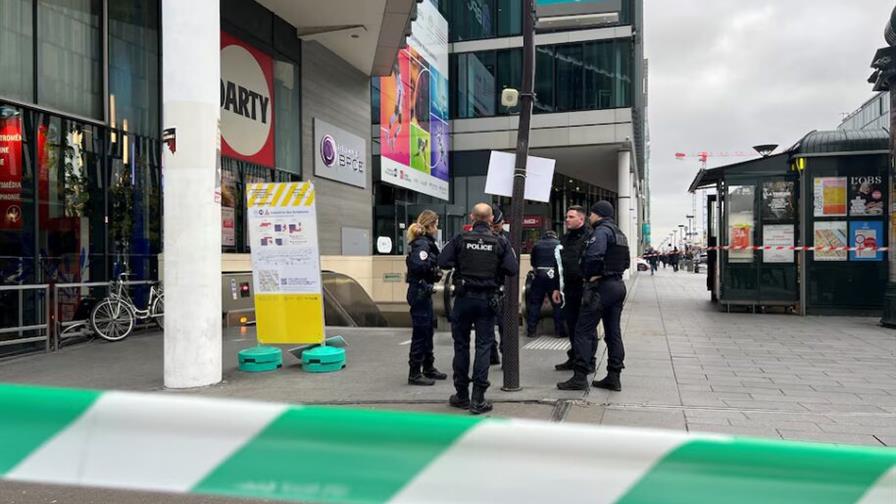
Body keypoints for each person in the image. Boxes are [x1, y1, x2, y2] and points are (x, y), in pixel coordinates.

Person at [438, 203, 518, 414]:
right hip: (487, 301)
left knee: (461, 346)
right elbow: (512, 269)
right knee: (484, 346)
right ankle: (478, 399)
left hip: (463, 299)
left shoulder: (460, 239)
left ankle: (461, 395)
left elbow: (442, 261)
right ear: (491, 218)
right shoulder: (500, 241)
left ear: (472, 217)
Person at [558, 201, 629, 391]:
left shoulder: (601, 232)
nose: (590, 217)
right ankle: (614, 376)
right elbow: (627, 261)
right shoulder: (620, 234)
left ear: (598, 214)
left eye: (592, 214)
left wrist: (591, 274)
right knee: (613, 333)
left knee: (582, 330)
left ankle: (580, 376)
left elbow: (593, 257)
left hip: (602, 287)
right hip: (618, 286)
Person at [405, 210, 447, 386]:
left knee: (428, 330)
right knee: (421, 333)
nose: (437, 228)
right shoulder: (423, 244)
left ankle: (428, 367)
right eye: (435, 224)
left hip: (423, 291)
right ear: (429, 225)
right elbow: (417, 265)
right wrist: (432, 268)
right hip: (420, 291)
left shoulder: (425, 243)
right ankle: (415, 373)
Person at [552, 206, 591, 372]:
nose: (566, 219)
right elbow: (558, 265)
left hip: (585, 288)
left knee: (586, 328)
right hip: (568, 289)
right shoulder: (565, 239)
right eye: (566, 216)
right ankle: (575, 357)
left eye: (571, 217)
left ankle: (589, 361)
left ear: (581, 219)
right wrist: (556, 288)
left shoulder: (590, 237)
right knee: (572, 325)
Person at [526, 230, 565, 339]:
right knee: (557, 304)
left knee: (535, 303)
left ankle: (531, 331)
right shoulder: (559, 245)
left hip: (539, 276)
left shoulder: (537, 245)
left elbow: (533, 262)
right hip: (554, 277)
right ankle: (559, 331)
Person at [489, 205, 511, 366]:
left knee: (504, 325)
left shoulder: (509, 238)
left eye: (497, 226)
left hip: (503, 287)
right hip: (489, 286)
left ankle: (505, 355)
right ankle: (492, 354)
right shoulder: (484, 237)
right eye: (492, 226)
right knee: (487, 323)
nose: (495, 229)